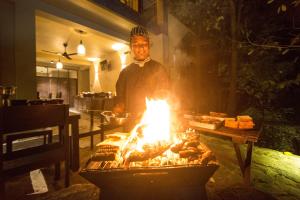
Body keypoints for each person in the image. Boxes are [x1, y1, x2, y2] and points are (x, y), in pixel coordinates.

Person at [114, 26, 169, 123]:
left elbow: (165, 95)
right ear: (131, 47)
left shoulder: (159, 69)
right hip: (131, 126)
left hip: (153, 125)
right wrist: (119, 107)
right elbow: (120, 99)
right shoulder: (124, 73)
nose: (141, 48)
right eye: (136, 45)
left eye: (144, 44)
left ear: (149, 46)